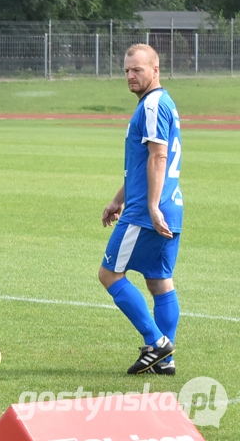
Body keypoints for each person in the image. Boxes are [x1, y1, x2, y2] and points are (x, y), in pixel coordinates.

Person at [100, 43, 182, 375]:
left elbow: (158, 156)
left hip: (148, 212)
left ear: (155, 70)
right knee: (159, 281)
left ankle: (157, 342)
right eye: (127, 70)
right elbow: (143, 163)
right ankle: (166, 360)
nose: (130, 76)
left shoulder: (152, 104)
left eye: (137, 69)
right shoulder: (165, 103)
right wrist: (118, 199)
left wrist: (150, 205)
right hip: (171, 206)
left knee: (109, 274)